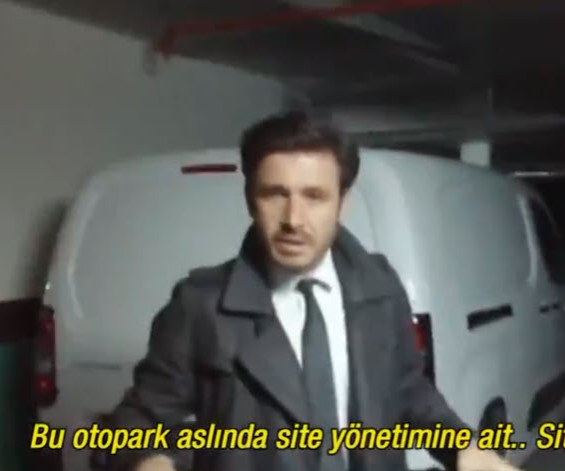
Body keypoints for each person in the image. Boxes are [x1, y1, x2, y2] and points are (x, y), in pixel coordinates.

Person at [101, 111, 522, 471]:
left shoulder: (379, 287)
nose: (294, 219)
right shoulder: (201, 306)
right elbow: (132, 424)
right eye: (275, 194)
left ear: (343, 202)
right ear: (250, 199)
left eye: (314, 196)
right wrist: (147, 460)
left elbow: (408, 388)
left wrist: (464, 449)